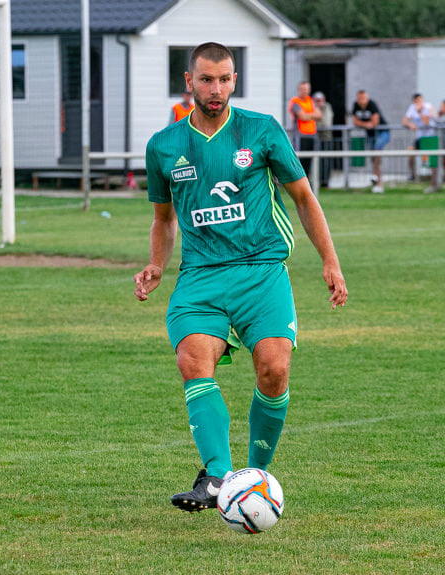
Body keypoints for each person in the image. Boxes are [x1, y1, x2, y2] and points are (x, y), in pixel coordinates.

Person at [136, 42, 348, 513]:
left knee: (274, 369)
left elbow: (304, 198)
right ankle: (216, 477)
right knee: (193, 359)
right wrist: (156, 263)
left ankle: (254, 475)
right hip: (201, 277)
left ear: (235, 80)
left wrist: (329, 261)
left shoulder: (262, 131)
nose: (217, 89)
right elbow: (164, 219)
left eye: (226, 79)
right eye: (207, 79)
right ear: (188, 81)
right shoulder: (164, 146)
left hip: (261, 271)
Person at [351, 89, 390, 193]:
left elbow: (375, 123)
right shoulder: (356, 105)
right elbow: (355, 121)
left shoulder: (372, 104)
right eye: (359, 98)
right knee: (374, 157)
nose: (361, 100)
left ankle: (377, 180)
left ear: (367, 98)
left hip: (382, 132)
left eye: (363, 98)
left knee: (377, 151)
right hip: (371, 135)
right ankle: (376, 178)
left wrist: (365, 124)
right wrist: (365, 125)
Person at [402, 93, 438, 193]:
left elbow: (426, 122)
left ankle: (434, 183)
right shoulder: (412, 108)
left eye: (420, 100)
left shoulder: (428, 107)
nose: (419, 103)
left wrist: (420, 111)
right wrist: (410, 125)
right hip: (420, 138)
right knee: (410, 152)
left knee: (432, 161)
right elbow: (404, 121)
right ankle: (412, 175)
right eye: (417, 101)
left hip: (430, 137)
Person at [288, 81, 322, 177]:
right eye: (303, 89)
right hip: (300, 136)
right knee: (300, 162)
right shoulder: (295, 102)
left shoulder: (311, 101)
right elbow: (302, 117)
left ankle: (309, 183)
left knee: (311, 162)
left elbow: (319, 115)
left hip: (312, 136)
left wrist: (307, 115)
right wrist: (312, 115)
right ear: (299, 90)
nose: (305, 91)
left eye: (307, 89)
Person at [312, 91, 334, 188]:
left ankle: (324, 183)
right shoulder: (311, 107)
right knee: (314, 162)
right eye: (316, 101)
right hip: (313, 139)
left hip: (326, 138)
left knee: (326, 161)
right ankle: (313, 182)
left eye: (320, 100)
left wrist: (313, 120)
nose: (318, 103)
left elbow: (326, 123)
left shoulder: (327, 107)